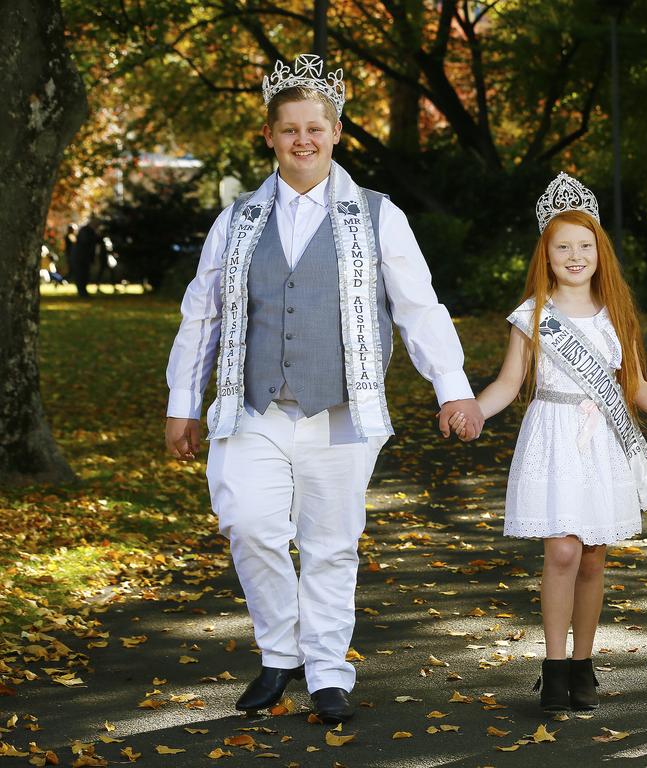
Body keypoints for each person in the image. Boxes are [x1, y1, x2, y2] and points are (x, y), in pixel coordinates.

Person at [164, 53, 483, 725]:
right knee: (248, 523)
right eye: (289, 129)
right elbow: (204, 314)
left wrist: (451, 389)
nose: (302, 140)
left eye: (316, 127)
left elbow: (418, 306)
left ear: (336, 132)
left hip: (341, 409)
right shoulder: (238, 219)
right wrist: (180, 404)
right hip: (252, 408)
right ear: (270, 136)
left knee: (332, 542)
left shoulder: (377, 215)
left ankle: (329, 671)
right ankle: (280, 653)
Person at [449, 173, 647, 714]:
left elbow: (636, 386)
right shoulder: (533, 314)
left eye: (585, 246)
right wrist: (474, 411)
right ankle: (553, 667)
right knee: (562, 550)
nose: (575, 256)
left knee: (594, 557)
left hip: (603, 442)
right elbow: (509, 383)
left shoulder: (617, 315)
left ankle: (583, 664)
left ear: (599, 251)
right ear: (545, 253)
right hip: (552, 437)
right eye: (563, 247)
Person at [71, 219, 99, 298]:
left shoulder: (88, 231)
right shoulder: (86, 231)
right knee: (81, 275)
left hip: (83, 257)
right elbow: (86, 242)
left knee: (84, 275)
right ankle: (82, 292)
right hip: (81, 257)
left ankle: (83, 292)